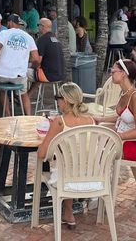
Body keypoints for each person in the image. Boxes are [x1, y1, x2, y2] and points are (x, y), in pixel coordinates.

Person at [36, 82, 97, 230]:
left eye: (58, 97)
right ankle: (68, 213)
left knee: (63, 167)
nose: (57, 101)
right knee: (71, 163)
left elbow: (42, 154)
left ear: (65, 100)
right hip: (93, 179)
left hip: (67, 181)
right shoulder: (91, 120)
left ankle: (37, 217)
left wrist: (52, 133)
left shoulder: (59, 122)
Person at [94, 58, 136, 161]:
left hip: (135, 145)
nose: (110, 74)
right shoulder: (124, 93)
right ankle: (102, 175)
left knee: (97, 151)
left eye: (113, 71)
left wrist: (118, 136)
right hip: (125, 139)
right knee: (94, 137)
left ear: (123, 73)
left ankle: (103, 176)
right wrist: (100, 119)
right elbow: (123, 116)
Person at [0, 13, 39, 116]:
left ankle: (8, 116)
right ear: (19, 24)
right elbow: (36, 58)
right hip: (18, 76)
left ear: (10, 22)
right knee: (24, 94)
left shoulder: (4, 33)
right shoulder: (28, 37)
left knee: (2, 91)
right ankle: (28, 117)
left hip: (2, 74)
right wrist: (25, 59)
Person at [28, 18, 65, 93]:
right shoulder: (56, 39)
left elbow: (38, 60)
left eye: (38, 25)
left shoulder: (42, 40)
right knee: (37, 71)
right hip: (60, 75)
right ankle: (28, 95)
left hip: (48, 76)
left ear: (42, 26)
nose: (38, 27)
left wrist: (30, 65)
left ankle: (20, 97)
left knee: (21, 73)